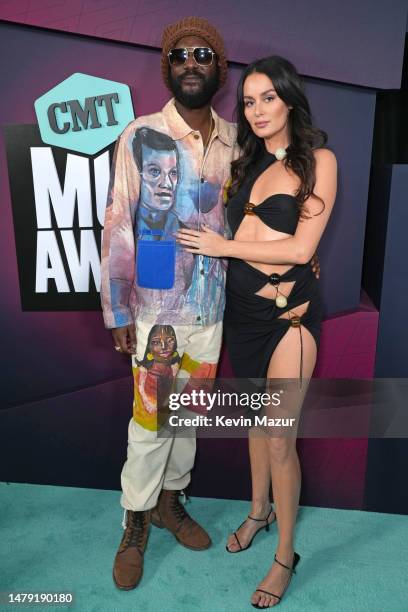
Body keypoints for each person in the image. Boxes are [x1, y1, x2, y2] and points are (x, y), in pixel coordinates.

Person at [177, 55, 337, 608]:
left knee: (278, 437)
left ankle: (285, 554)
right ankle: (258, 513)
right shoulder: (241, 161)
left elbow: (300, 250)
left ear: (289, 100)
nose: (258, 109)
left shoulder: (319, 161)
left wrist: (223, 247)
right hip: (241, 317)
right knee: (252, 424)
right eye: (249, 100)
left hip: (290, 318)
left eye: (268, 97)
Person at [100, 16, 237, 591]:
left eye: (202, 54)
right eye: (180, 55)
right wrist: (118, 310)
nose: (190, 63)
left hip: (211, 305)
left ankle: (171, 502)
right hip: (156, 307)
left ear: (218, 69)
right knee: (150, 420)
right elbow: (118, 225)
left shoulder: (236, 139)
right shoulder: (141, 134)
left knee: (190, 416)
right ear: (168, 66)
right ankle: (136, 519)